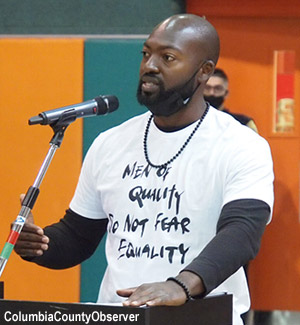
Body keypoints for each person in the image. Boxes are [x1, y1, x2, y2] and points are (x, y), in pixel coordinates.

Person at [14, 14, 274, 325]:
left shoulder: (241, 144)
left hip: (203, 316)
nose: (150, 65)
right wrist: (39, 244)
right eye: (146, 53)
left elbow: (242, 233)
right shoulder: (110, 143)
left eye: (167, 57)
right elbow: (77, 237)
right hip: (118, 315)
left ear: (204, 71)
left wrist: (182, 285)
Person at [204, 68, 258, 132]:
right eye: (207, 88)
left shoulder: (243, 123)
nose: (211, 93)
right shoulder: (192, 121)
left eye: (217, 89)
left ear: (226, 94)